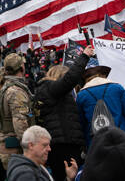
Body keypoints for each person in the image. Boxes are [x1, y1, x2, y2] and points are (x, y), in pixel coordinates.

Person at [34, 46, 91, 180]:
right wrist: (84, 57)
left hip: (61, 143)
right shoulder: (51, 88)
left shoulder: (48, 90)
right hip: (63, 145)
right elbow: (69, 80)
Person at [76, 57, 125, 147]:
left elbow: (81, 123)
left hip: (96, 143)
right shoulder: (117, 88)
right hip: (121, 138)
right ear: (102, 73)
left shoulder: (81, 95)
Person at [0, 53, 34, 170]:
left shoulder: (7, 87)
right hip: (15, 148)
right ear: (21, 68)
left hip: (9, 146)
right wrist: (30, 148)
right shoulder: (16, 91)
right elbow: (20, 122)